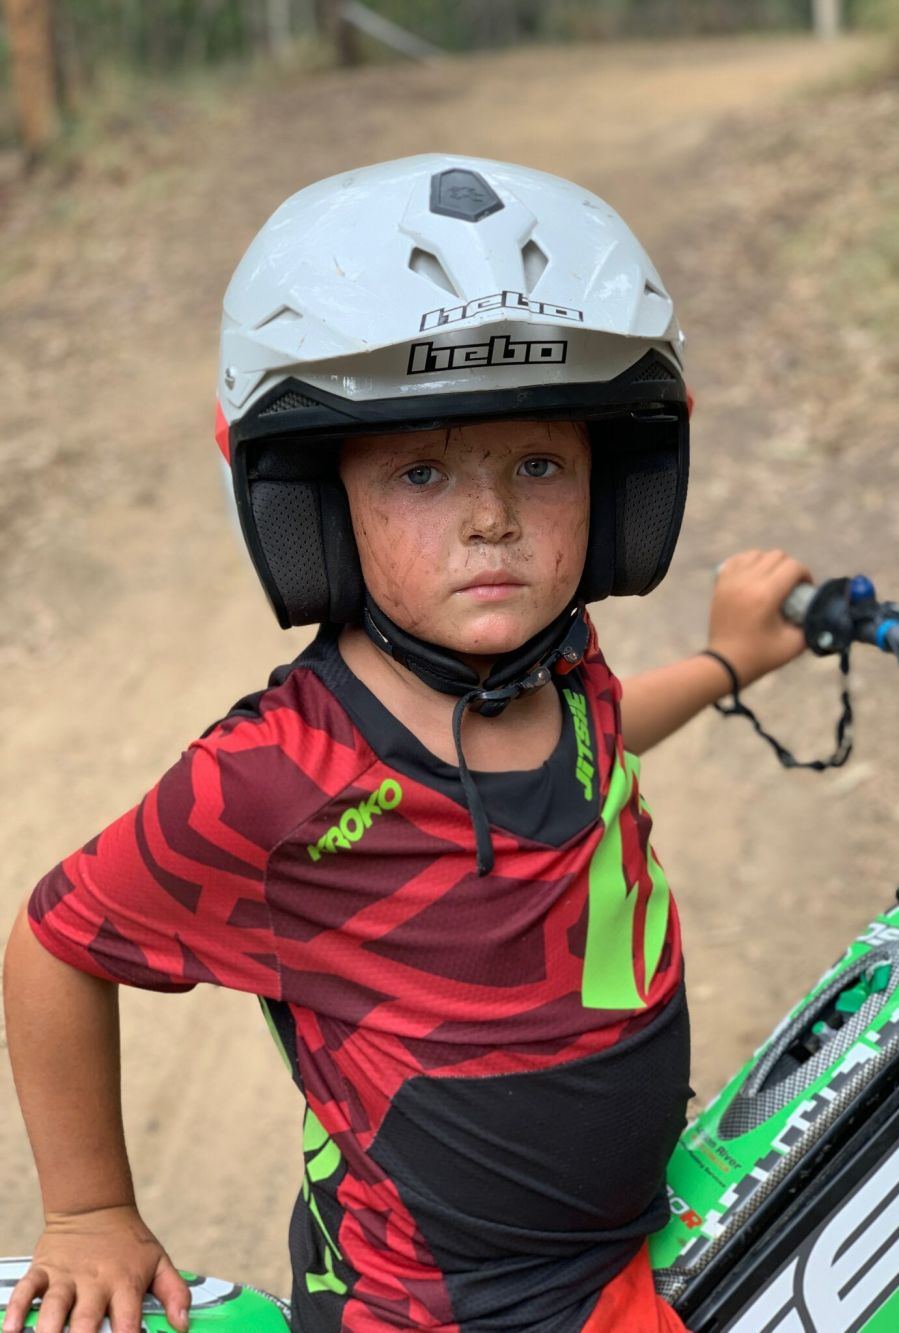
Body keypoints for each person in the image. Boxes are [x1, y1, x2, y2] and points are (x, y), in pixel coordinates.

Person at [3, 155, 809, 1333]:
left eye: (539, 465)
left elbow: (594, 743)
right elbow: (56, 940)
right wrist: (90, 1212)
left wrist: (730, 662)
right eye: (421, 473)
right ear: (317, 510)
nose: (491, 519)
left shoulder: (561, 665)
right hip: (433, 1312)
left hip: (618, 1257)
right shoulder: (282, 773)